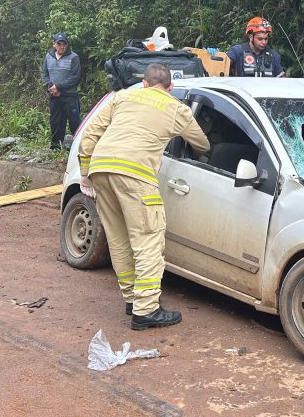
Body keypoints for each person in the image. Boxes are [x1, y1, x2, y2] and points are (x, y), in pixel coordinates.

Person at [77, 63, 210, 329]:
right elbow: (202, 143)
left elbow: (90, 133)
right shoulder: (176, 108)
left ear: (145, 83)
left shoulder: (123, 96)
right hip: (135, 175)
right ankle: (146, 310)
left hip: (101, 170)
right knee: (148, 241)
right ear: (170, 87)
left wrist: (84, 172)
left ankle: (131, 300)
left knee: (118, 239)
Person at [41, 32, 82, 150]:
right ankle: (55, 147)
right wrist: (50, 87)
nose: (62, 46)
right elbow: (44, 74)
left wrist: (58, 87)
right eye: (59, 44)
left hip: (70, 96)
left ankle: (78, 147)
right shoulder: (48, 57)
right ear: (54, 45)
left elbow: (75, 77)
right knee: (56, 122)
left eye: (64, 44)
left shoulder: (74, 57)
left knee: (74, 121)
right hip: (54, 95)